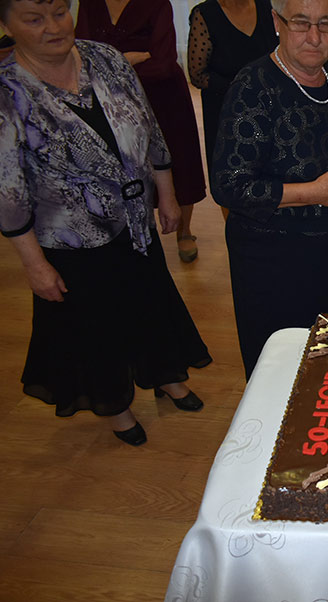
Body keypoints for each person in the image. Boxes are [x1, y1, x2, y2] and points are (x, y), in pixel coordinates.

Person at [0, 0, 211, 446]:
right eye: (34, 19)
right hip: (71, 238)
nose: (53, 26)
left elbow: (149, 127)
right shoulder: (7, 92)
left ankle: (165, 375)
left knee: (151, 301)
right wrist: (34, 265)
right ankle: (115, 404)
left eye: (59, 12)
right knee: (95, 324)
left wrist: (166, 193)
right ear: (7, 25)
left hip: (135, 221)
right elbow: (8, 192)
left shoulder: (106, 58)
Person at [212, 0, 328, 379]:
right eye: (301, 23)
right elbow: (229, 186)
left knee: (325, 366)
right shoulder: (253, 86)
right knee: (281, 371)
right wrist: (315, 192)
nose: (315, 37)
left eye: (325, 24)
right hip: (272, 262)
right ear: (277, 22)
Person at [75, 0, 208, 263]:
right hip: (111, 101)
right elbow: (82, 57)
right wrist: (131, 58)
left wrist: (110, 65)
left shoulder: (157, 3)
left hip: (164, 98)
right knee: (122, 166)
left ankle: (184, 231)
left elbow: (164, 62)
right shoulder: (90, 4)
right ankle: (132, 230)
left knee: (179, 161)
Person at [187, 0, 278, 197]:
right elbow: (197, 75)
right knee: (232, 183)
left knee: (271, 177)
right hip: (224, 112)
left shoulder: (267, 6)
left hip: (269, 107)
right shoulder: (205, 14)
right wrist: (241, 89)